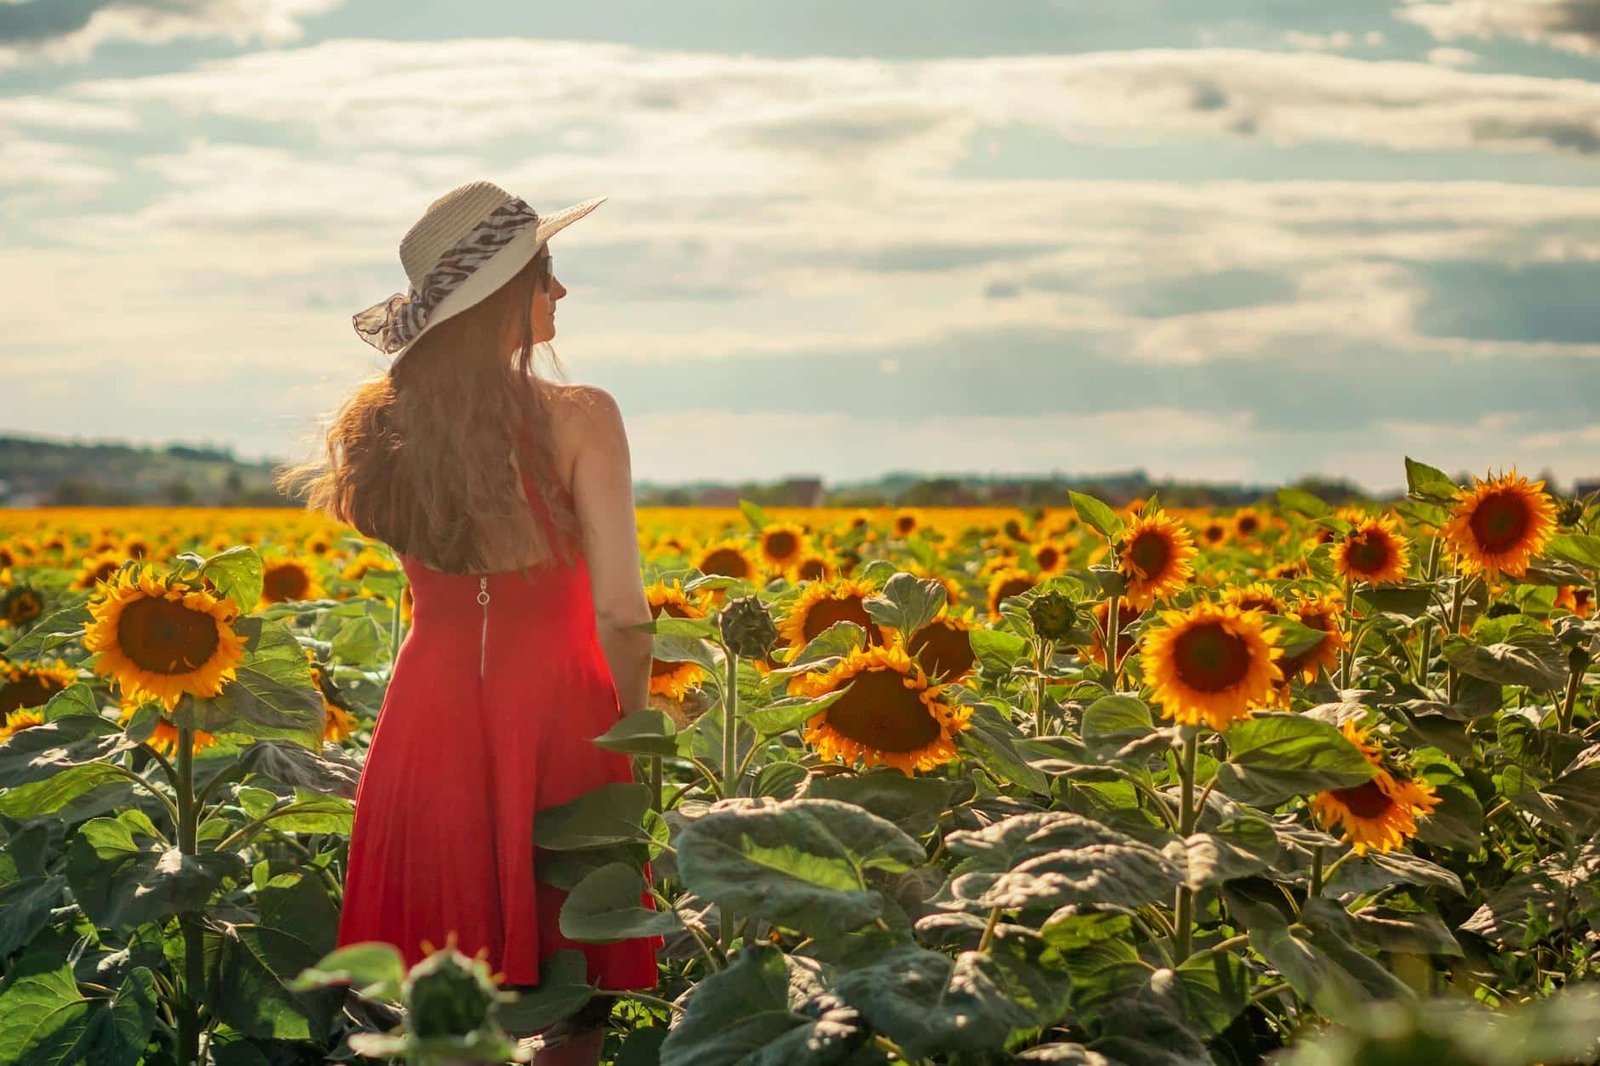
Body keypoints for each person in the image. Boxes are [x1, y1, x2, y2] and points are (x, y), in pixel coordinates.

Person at [276, 180, 664, 1065]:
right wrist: (631, 734)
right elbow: (620, 610)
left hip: (426, 720)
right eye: (547, 275)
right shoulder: (582, 416)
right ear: (501, 296)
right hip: (561, 715)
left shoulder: (386, 423)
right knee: (572, 996)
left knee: (430, 1001)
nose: (560, 293)